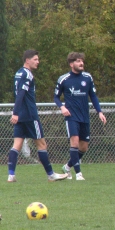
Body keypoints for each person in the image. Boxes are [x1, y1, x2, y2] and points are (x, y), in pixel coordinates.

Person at [8, 49, 68, 182]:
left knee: (16, 145)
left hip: (21, 115)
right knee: (41, 144)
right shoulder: (27, 74)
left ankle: (11, 175)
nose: (38, 62)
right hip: (29, 115)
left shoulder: (18, 72)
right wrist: (16, 113)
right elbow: (21, 95)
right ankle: (51, 175)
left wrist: (16, 113)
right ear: (27, 60)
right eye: (35, 59)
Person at [54, 52, 107, 181]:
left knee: (83, 147)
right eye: (78, 61)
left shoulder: (88, 77)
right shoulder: (64, 79)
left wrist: (99, 111)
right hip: (71, 116)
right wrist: (62, 107)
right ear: (72, 64)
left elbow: (93, 96)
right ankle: (78, 174)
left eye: (82, 60)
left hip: (85, 117)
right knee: (75, 142)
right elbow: (56, 97)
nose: (81, 63)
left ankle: (67, 167)